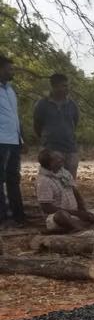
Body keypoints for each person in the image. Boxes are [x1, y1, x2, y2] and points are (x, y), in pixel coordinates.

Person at [35, 148, 94, 233]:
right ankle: (88, 228)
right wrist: (78, 214)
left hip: (75, 213)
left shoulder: (64, 173)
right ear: (50, 164)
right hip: (58, 218)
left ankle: (87, 229)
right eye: (57, 158)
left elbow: (75, 192)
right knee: (61, 215)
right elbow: (47, 208)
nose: (61, 159)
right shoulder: (43, 181)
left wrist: (83, 211)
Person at [34, 73, 81, 177]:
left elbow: (75, 123)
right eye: (64, 85)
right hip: (51, 150)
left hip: (70, 149)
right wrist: (46, 141)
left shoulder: (72, 105)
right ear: (54, 86)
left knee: (69, 182)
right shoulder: (42, 104)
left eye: (67, 85)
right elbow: (37, 126)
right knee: (51, 180)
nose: (67, 88)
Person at [0, 55, 26, 228]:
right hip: (1, 141)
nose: (12, 72)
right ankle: (2, 217)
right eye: (9, 69)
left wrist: (21, 137)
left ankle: (18, 215)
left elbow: (14, 116)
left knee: (13, 178)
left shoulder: (10, 90)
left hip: (14, 140)